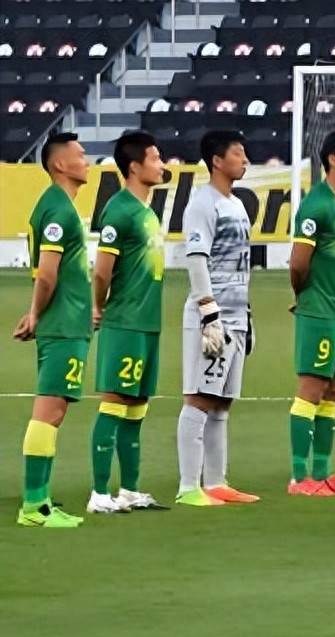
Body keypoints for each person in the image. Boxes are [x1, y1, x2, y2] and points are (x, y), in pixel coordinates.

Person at [174, 130, 260, 506]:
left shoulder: (237, 204)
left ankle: (216, 482)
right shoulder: (201, 203)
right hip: (212, 318)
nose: (245, 160)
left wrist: (247, 316)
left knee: (222, 402)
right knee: (199, 397)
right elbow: (197, 259)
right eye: (238, 153)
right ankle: (188, 487)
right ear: (217, 160)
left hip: (236, 317)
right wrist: (210, 313)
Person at [11, 133, 91, 527]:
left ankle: (39, 501)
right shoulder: (58, 209)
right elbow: (46, 273)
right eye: (80, 154)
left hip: (66, 322)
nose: (87, 160)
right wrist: (36, 313)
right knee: (49, 411)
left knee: (53, 413)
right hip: (62, 324)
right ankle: (34, 506)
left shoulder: (56, 205)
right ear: (60, 164)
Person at [87, 130, 169, 513]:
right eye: (155, 158)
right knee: (115, 401)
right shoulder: (118, 211)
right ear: (134, 167)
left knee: (137, 404)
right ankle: (99, 494)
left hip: (148, 322)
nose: (162, 164)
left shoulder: (147, 212)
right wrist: (98, 306)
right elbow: (102, 270)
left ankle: (130, 490)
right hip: (125, 320)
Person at [286, 131, 335, 496]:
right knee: (312, 388)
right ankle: (299, 477)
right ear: (333, 160)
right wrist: (306, 295)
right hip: (320, 310)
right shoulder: (316, 205)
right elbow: (298, 263)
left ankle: (322, 473)